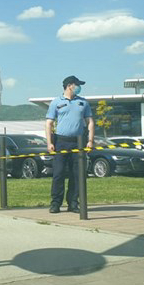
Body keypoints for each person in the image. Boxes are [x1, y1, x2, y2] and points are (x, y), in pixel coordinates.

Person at [45, 75, 94, 213]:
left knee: (77, 174)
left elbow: (90, 121)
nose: (79, 88)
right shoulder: (56, 102)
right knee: (59, 173)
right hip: (61, 141)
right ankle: (55, 203)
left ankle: (73, 203)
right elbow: (49, 123)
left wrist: (90, 141)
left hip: (78, 142)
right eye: (77, 85)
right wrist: (49, 143)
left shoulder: (83, 103)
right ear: (69, 85)